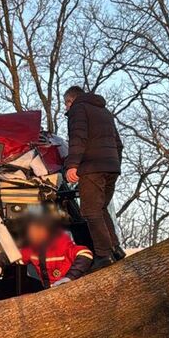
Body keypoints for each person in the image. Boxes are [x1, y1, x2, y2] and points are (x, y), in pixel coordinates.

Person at [63, 86, 124, 270]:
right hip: (112, 167)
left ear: (70, 101)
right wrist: (114, 164)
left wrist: (72, 165)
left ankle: (103, 256)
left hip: (92, 167)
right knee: (101, 208)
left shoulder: (78, 109)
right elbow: (118, 144)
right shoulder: (104, 111)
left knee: (90, 211)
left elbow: (78, 138)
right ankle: (116, 249)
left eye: (65, 105)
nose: (66, 109)